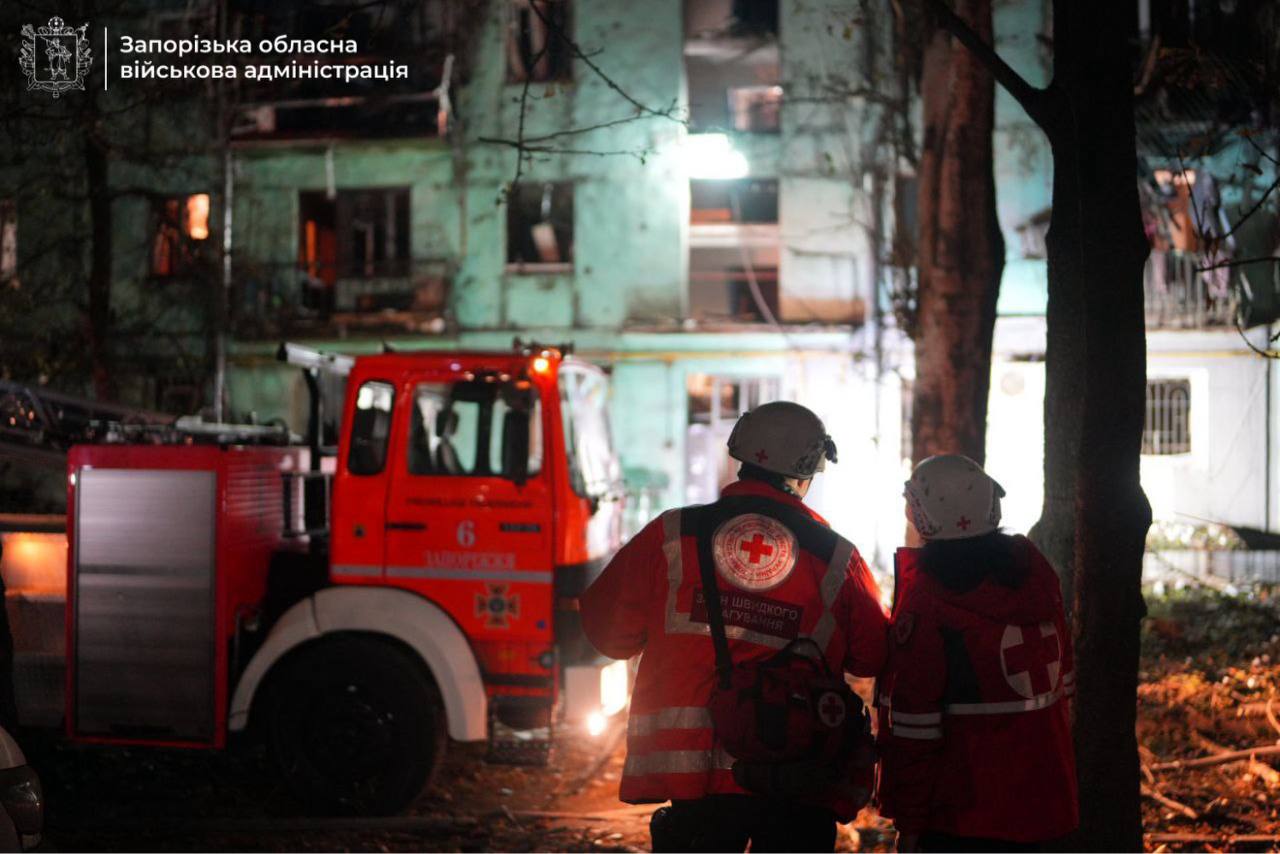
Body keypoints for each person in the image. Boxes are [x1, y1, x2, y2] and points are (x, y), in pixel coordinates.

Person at [581, 401, 888, 853]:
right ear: (806, 472)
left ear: (740, 456)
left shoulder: (673, 534)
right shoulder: (836, 558)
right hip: (794, 777)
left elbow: (607, 631)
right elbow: (872, 655)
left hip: (695, 782)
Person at [877, 454, 1078, 852]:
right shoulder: (1037, 576)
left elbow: (915, 727)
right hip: (1049, 811)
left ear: (920, 515)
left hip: (963, 820)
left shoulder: (926, 601)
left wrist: (910, 823)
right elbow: (1065, 687)